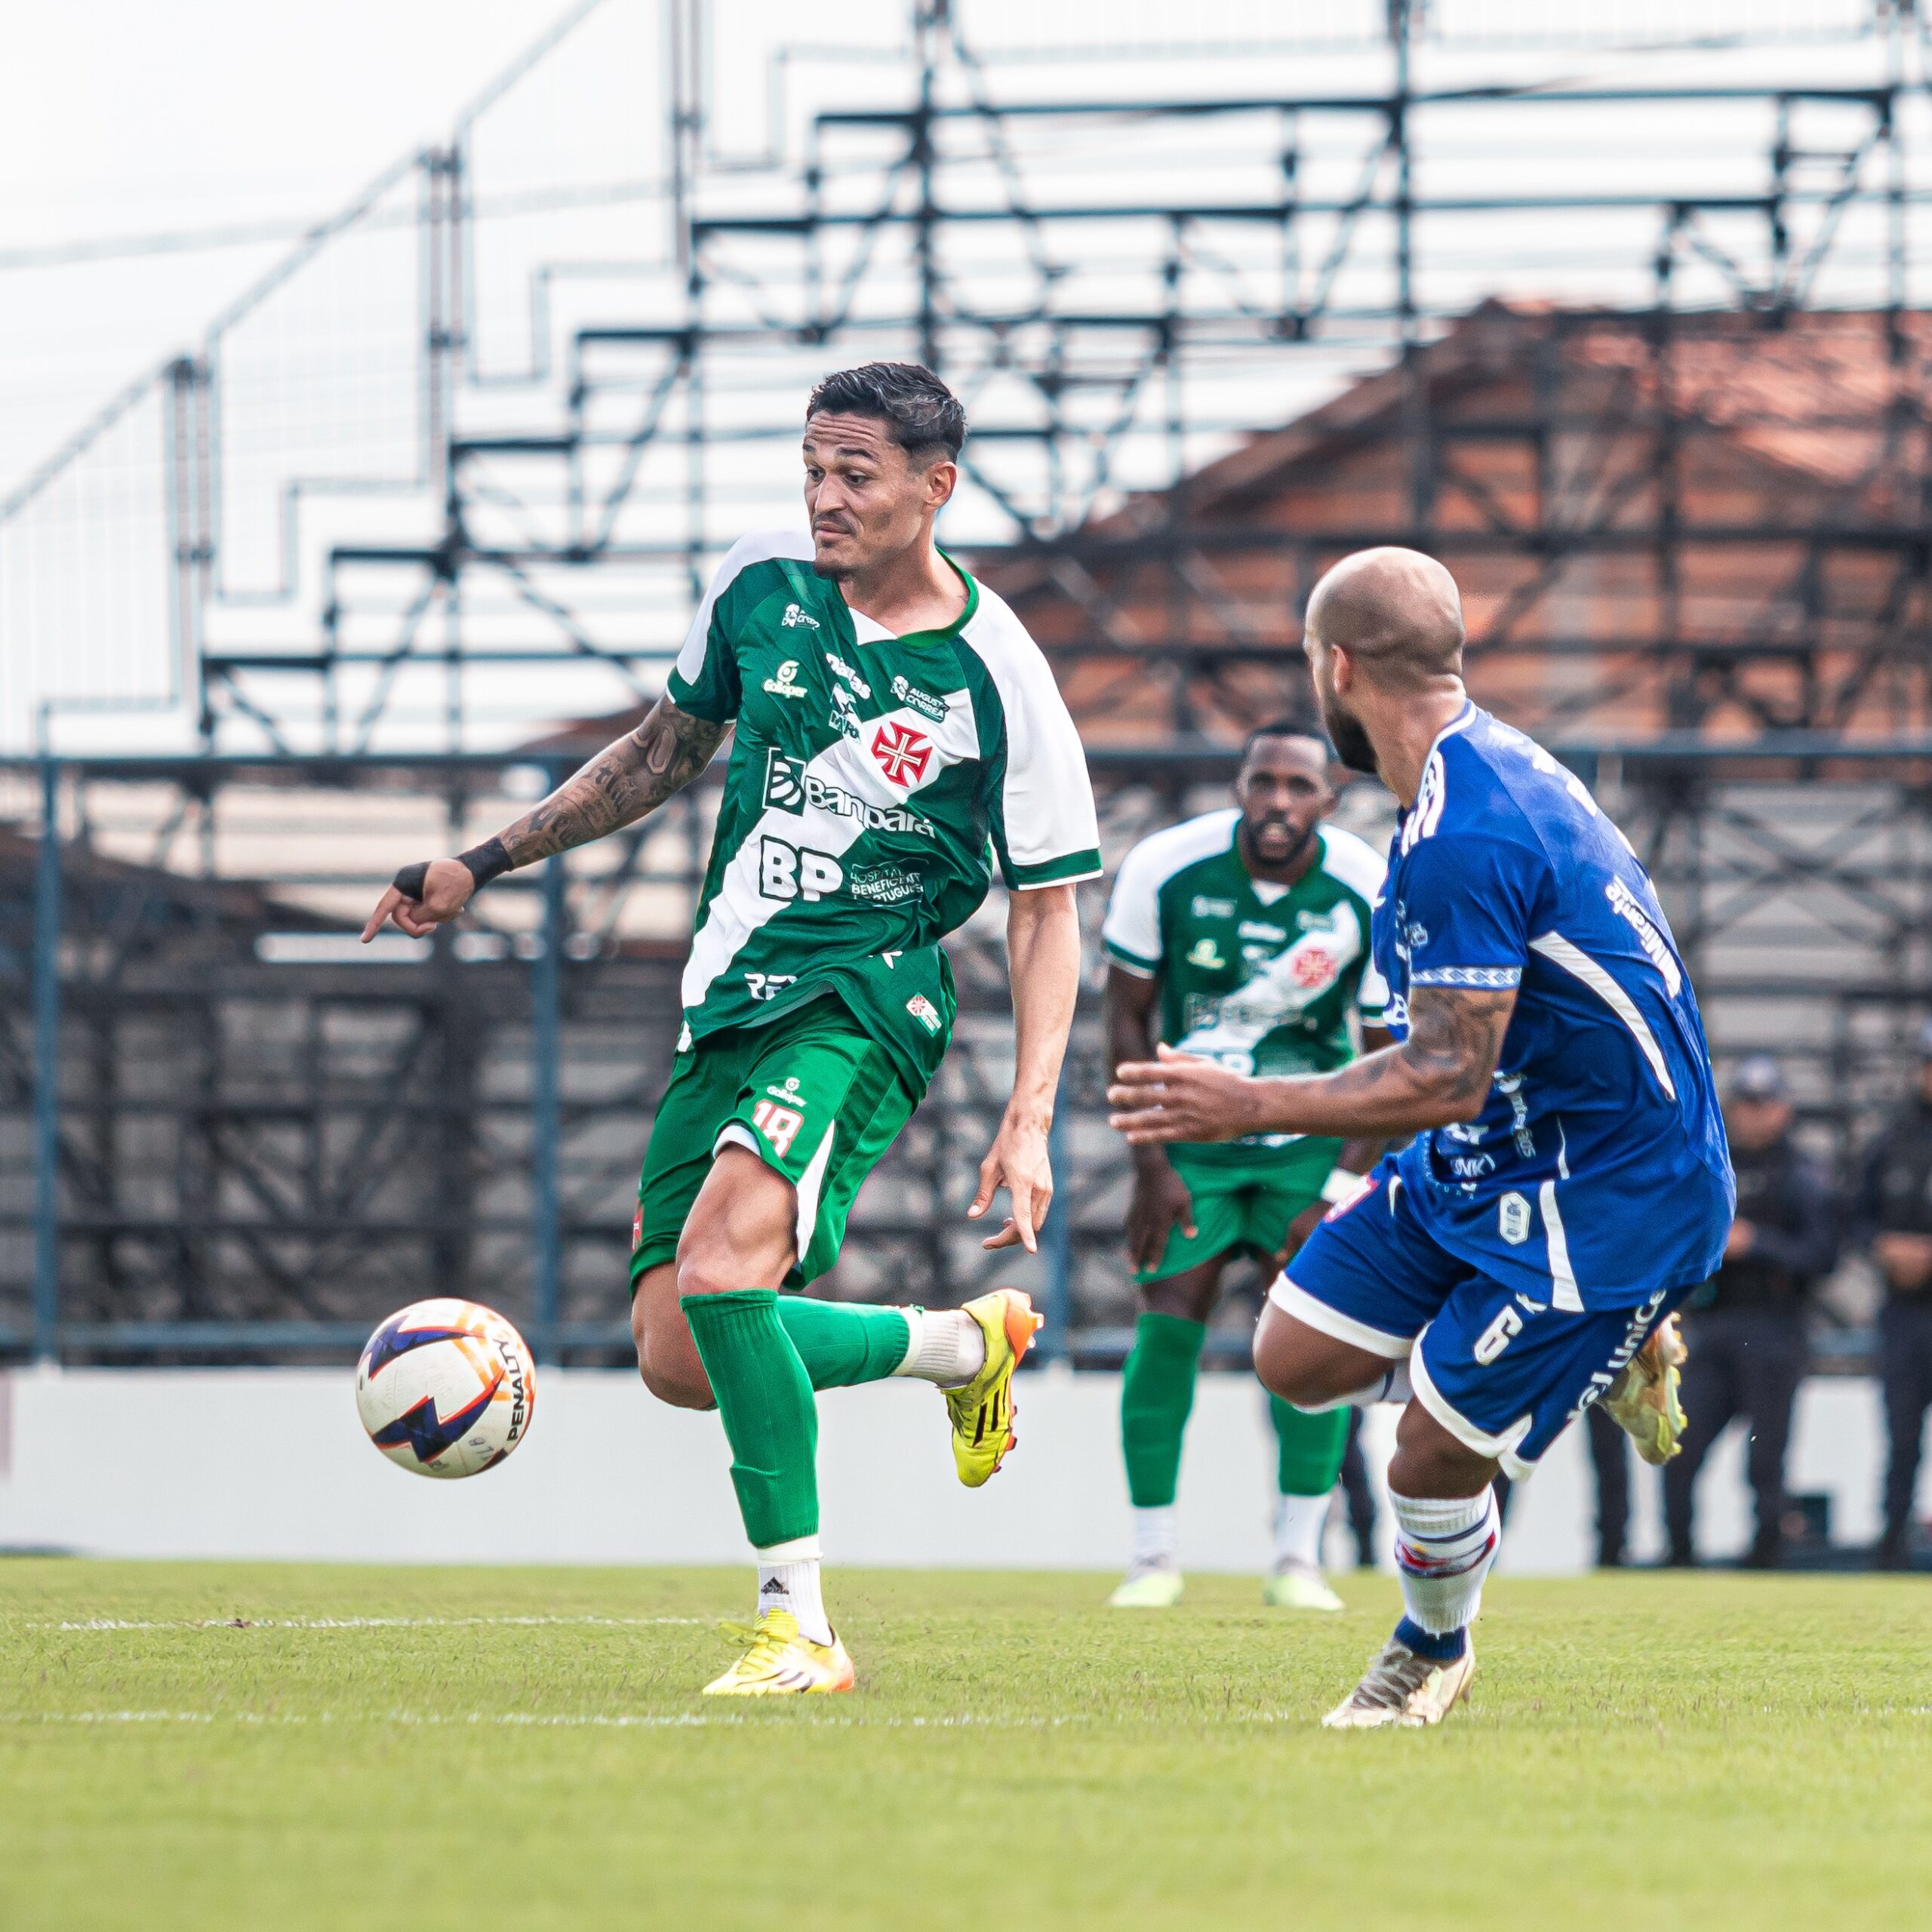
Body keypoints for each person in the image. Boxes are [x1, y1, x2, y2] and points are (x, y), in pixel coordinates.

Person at [363, 361, 1100, 1697]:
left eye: (855, 475)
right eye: (813, 470)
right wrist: (483, 861)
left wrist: (1031, 1115)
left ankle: (798, 1626)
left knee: (720, 1269)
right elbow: (661, 750)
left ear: (935, 488)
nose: (825, 498)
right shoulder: (758, 581)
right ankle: (960, 1346)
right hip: (727, 998)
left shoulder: (999, 671)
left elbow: (1050, 907)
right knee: (677, 1351)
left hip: (864, 998)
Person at [1108, 546, 1734, 1728]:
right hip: (1491, 1153)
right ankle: (1589, 1354)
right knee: (1294, 1358)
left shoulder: (1466, 828)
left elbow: (1446, 1070)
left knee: (1427, 1456)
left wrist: (1250, 1103)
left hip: (1609, 1193)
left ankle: (1428, 1652)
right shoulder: (1467, 777)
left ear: (1336, 667)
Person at [1100, 721, 1389, 1611]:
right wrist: (1150, 1163)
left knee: (1312, 1339)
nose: (1277, 801)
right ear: (1238, 787)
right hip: (1193, 1135)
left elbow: (1386, 1057)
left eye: (1299, 786)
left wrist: (1338, 1189)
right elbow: (1125, 1019)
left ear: (1330, 799)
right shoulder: (1164, 866)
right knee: (1166, 1328)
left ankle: (1298, 1558)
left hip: (1308, 1137)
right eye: (1263, 781)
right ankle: (1151, 1558)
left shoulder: (1367, 884)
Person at [1663, 1056, 1835, 1570]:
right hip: (1713, 1324)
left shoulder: (1804, 1176)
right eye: (1745, 1104)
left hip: (1774, 1326)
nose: (1753, 1114)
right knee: (1679, 1447)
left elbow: (1822, 1256)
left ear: (1783, 1109)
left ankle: (1767, 1558)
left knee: (1765, 1459)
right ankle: (1678, 1556)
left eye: (1764, 1103)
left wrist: (1756, 1244)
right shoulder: (1713, 1167)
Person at [1854, 1020, 1932, 1568]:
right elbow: (1856, 1219)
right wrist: (1884, 1248)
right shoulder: (1891, 1140)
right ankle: (1891, 1552)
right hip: (1904, 1312)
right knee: (1901, 1436)